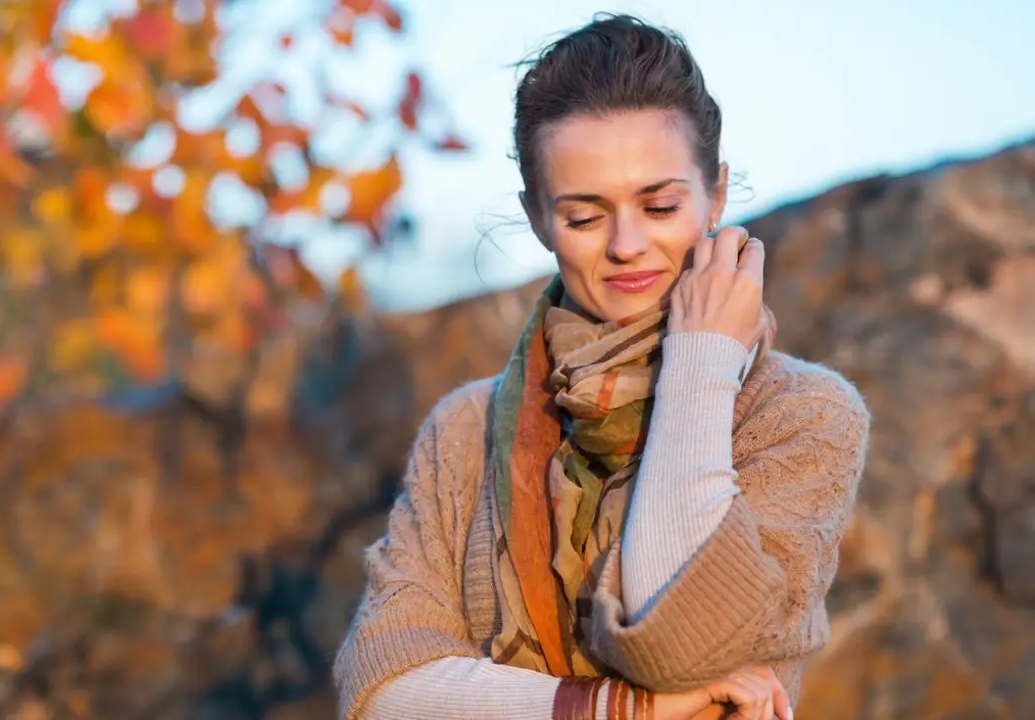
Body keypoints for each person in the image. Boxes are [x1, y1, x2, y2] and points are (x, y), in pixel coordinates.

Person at [333, 13, 870, 720]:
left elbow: (678, 642)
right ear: (536, 217)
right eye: (585, 217)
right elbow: (381, 691)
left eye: (661, 205)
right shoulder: (463, 431)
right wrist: (619, 709)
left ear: (715, 193)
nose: (626, 244)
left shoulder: (801, 415)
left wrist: (700, 363)